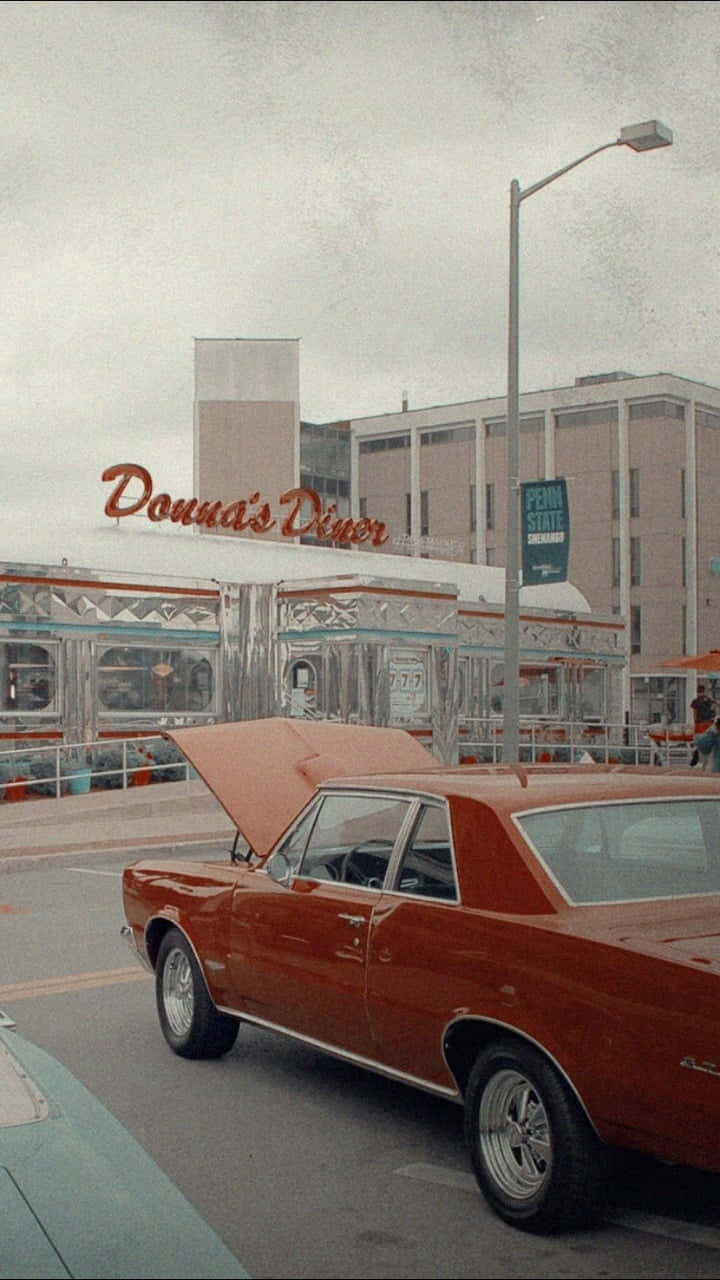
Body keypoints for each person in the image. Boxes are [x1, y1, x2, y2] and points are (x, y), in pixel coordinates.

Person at [690, 684, 717, 766]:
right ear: (704, 691)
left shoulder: (695, 701)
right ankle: (708, 760)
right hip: (709, 724)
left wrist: (695, 722)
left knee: (698, 741)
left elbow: (695, 713)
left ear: (697, 691)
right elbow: (714, 708)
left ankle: (698, 759)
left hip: (700, 724)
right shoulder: (710, 700)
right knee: (709, 741)